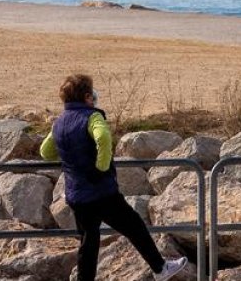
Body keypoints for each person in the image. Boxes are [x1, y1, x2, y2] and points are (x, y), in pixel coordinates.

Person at [40, 74, 187, 281]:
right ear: (87, 96)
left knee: (88, 243)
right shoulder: (92, 117)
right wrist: (101, 166)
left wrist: (68, 154)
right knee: (135, 226)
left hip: (76, 195)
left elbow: (46, 152)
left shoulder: (59, 123)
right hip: (101, 192)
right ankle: (160, 268)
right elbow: (103, 137)